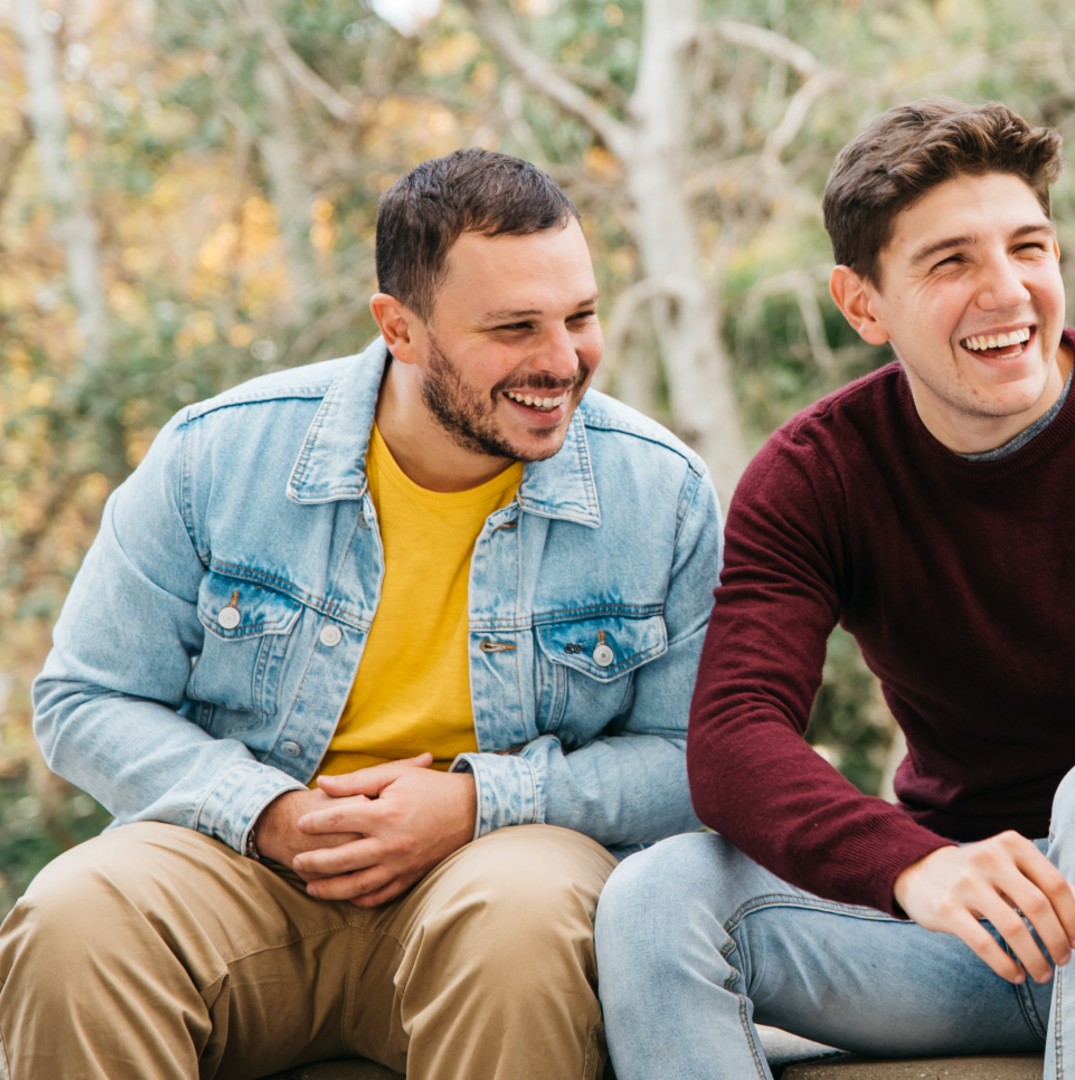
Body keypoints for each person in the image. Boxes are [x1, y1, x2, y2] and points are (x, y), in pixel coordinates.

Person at [592, 99, 1075, 1079]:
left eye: (1028, 248)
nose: (1009, 292)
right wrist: (914, 863)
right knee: (654, 896)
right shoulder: (817, 472)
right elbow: (735, 738)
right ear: (863, 305)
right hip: (975, 933)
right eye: (951, 263)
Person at [0, 148, 719, 1079]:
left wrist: (475, 805)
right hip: (245, 868)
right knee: (75, 917)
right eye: (514, 327)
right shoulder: (215, 454)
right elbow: (87, 698)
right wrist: (267, 812)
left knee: (525, 917)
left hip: (498, 872)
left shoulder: (660, 492)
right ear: (400, 328)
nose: (561, 360)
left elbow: (697, 759)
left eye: (580, 317)